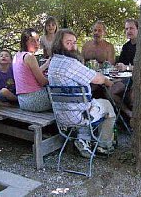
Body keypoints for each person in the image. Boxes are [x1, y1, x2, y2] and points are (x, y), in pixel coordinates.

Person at [48, 28, 116, 157]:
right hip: (79, 116)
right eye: (68, 42)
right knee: (106, 105)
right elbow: (97, 78)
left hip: (61, 116)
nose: (73, 46)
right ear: (59, 43)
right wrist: (109, 82)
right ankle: (103, 146)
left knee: (87, 103)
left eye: (74, 42)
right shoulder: (71, 63)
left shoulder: (53, 62)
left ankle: (83, 140)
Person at [12, 28, 51, 112]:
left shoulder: (17, 56)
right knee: (62, 96)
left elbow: (30, 73)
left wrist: (46, 64)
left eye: (37, 40)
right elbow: (43, 82)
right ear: (25, 42)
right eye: (33, 41)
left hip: (23, 102)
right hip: (35, 101)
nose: (37, 44)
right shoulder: (30, 56)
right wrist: (53, 79)